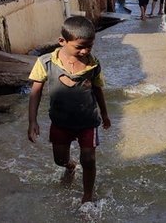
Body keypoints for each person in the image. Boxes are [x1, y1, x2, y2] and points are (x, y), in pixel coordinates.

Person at [27, 16, 111, 203]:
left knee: (89, 159)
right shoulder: (46, 62)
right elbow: (35, 92)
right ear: (62, 41)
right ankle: (70, 166)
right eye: (79, 46)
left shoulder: (93, 64)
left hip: (87, 121)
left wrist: (104, 114)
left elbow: (98, 90)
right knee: (60, 160)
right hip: (60, 122)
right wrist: (32, 121)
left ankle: (87, 196)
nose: (85, 51)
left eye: (89, 46)